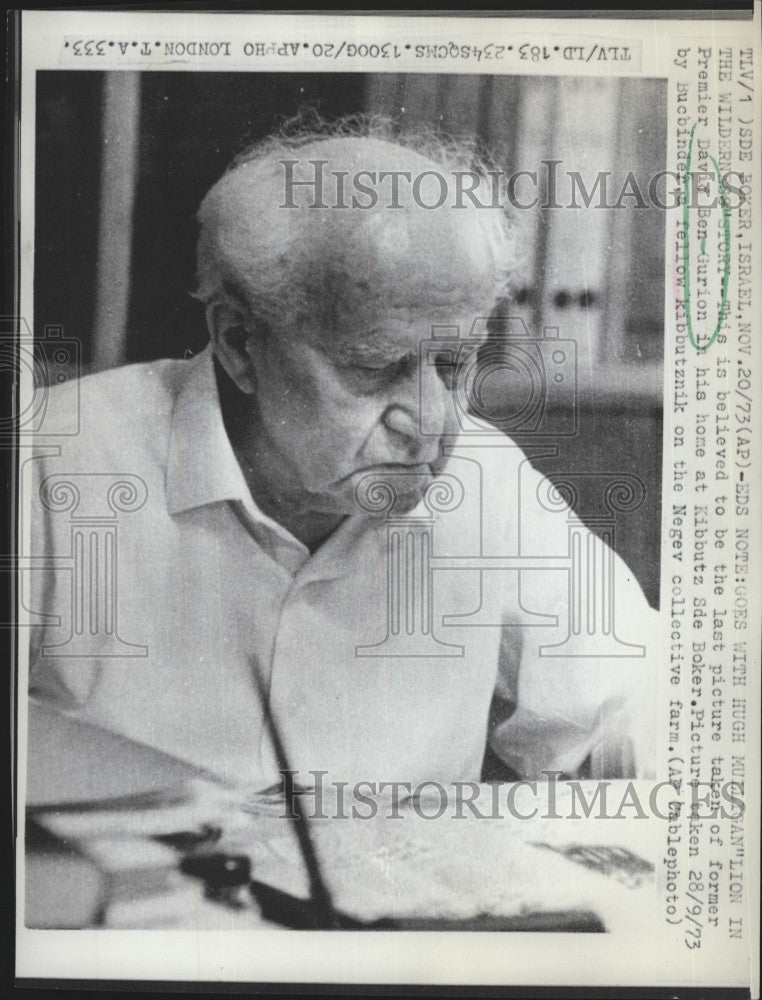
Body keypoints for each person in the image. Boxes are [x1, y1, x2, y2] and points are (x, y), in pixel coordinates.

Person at [26, 122, 657, 798]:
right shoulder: (51, 467)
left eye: (451, 364)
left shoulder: (485, 482)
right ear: (239, 342)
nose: (431, 420)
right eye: (375, 367)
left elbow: (637, 701)